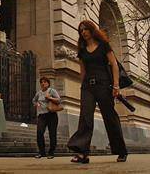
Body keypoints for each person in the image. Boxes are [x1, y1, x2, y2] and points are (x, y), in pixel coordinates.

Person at [67, 20, 128, 164]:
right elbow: (82, 71)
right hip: (88, 87)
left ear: (91, 30)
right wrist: (82, 87)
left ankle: (121, 151)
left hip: (104, 85)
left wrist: (116, 86)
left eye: (85, 29)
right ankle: (82, 153)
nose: (83, 32)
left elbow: (113, 64)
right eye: (81, 31)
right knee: (85, 117)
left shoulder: (103, 46)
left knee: (110, 117)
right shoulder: (82, 50)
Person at [32, 77, 60, 159]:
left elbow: (59, 100)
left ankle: (51, 152)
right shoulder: (39, 93)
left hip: (51, 115)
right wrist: (36, 104)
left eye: (45, 82)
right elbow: (34, 100)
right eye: (41, 82)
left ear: (48, 83)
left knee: (52, 134)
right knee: (39, 133)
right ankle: (42, 152)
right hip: (42, 115)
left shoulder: (52, 91)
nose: (43, 83)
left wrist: (50, 98)